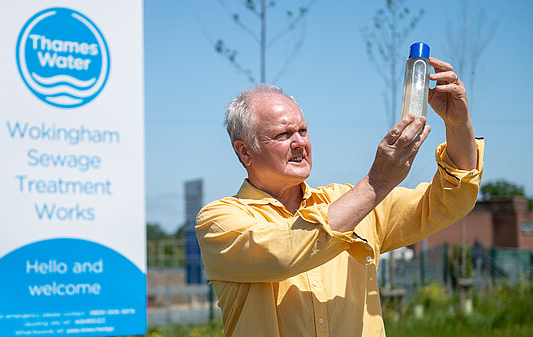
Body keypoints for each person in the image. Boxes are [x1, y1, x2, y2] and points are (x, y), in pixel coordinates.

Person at [195, 57, 484, 337]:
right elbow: (284, 253)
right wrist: (376, 182)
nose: (300, 143)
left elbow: (450, 200)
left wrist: (458, 124)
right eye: (283, 135)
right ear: (245, 151)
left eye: (303, 131)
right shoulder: (220, 221)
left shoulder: (349, 201)